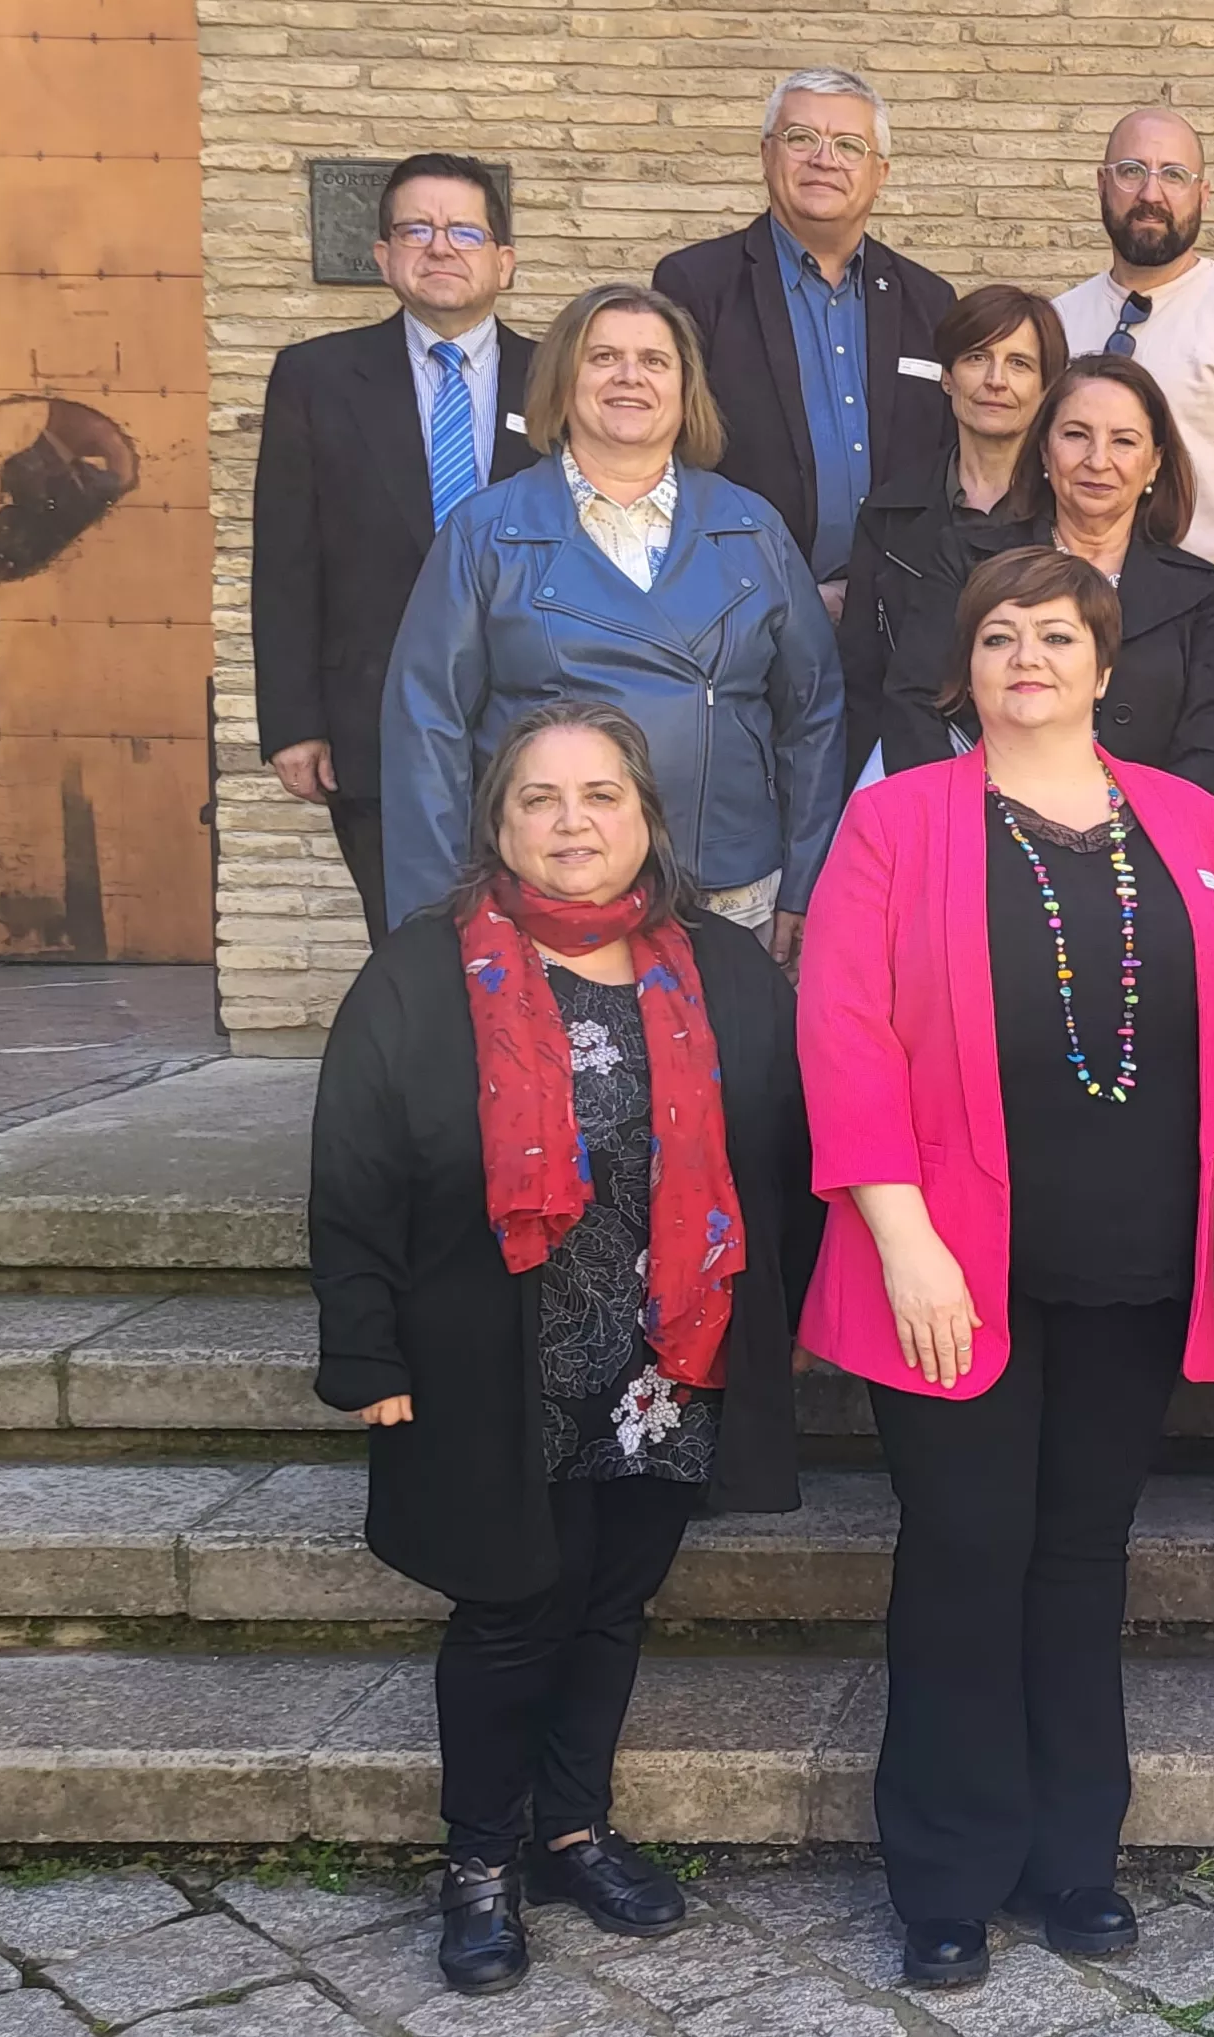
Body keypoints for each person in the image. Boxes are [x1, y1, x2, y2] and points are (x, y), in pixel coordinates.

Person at [797, 546, 1214, 1991]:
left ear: (1106, 664)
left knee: (1079, 1559)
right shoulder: (898, 824)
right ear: (968, 665)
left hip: (1135, 1264)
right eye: (998, 635)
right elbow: (845, 1027)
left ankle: (1075, 1856)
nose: (1027, 658)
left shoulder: (1191, 823)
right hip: (945, 1267)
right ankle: (946, 1871)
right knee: (961, 1557)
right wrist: (902, 1235)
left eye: (1056, 635)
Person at [309, 699, 814, 1997]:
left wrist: (784, 1322)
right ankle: (479, 1860)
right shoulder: (422, 972)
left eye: (600, 796)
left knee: (611, 1604)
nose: (571, 821)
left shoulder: (726, 969)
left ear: (647, 817)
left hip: (661, 1362)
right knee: (509, 1612)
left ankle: (573, 1832)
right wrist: (366, 1350)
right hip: (492, 1359)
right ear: (500, 822)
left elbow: (788, 1154)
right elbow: (355, 1167)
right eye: (541, 798)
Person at [384, 283, 845, 968]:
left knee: (735, 1076)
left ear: (686, 389)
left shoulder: (753, 526)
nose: (630, 377)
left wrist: (807, 882)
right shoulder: (486, 532)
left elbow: (815, 714)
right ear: (564, 379)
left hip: (730, 893)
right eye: (604, 357)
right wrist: (436, 919)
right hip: (547, 894)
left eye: (655, 361)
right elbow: (426, 727)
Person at [253, 153, 544, 931]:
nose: (440, 247)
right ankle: (424, 1059)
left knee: (539, 936)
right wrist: (292, 721)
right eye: (416, 229)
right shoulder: (316, 378)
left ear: (504, 262)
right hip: (372, 718)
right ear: (383, 256)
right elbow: (285, 557)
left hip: (539, 718)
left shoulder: (559, 378)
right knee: (411, 940)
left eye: (464, 231)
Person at [651, 67, 957, 623]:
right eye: (801, 139)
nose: (824, 159)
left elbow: (947, 465)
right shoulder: (696, 286)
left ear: (879, 172)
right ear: (767, 155)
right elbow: (667, 461)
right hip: (740, 613)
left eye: (848, 145)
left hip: (898, 622)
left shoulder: (931, 301)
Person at [872, 356, 1214, 795]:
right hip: (980, 831)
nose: (1098, 460)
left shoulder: (1197, 591)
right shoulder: (967, 556)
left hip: (1146, 844)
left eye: (1124, 441)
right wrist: (963, 821)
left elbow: (1207, 751)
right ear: (1044, 449)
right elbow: (914, 705)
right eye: (1076, 435)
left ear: (1155, 462)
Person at [1052, 107, 1214, 637]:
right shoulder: (1057, 321)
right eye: (1132, 171)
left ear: (1203, 194)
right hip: (1061, 629)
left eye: (1174, 175)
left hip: (1198, 633)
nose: (1152, 193)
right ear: (1102, 185)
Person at [834, 283, 1065, 778]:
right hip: (910, 766)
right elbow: (860, 675)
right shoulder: (889, 512)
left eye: (1020, 364)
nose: (996, 381)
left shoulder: (1069, 512)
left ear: (1048, 387)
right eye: (977, 358)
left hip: (1045, 769)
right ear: (946, 376)